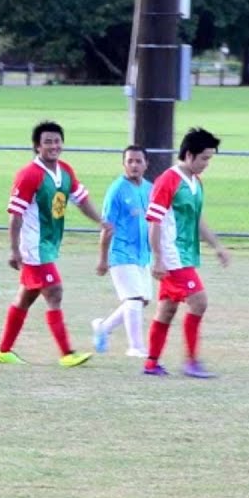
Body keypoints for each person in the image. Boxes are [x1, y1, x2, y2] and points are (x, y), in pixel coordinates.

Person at [0, 121, 105, 367]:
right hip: (33, 246)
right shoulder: (29, 174)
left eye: (57, 141)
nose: (54, 146)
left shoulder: (65, 171)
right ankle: (66, 353)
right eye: (48, 142)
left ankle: (3, 350)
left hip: (49, 244)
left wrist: (101, 222)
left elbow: (81, 200)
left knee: (26, 297)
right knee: (54, 291)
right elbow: (15, 214)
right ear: (36, 146)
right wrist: (14, 249)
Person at [142, 127, 232, 378]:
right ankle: (191, 362)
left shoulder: (196, 182)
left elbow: (197, 218)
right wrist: (158, 259)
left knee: (167, 309)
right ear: (189, 155)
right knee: (199, 301)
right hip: (172, 257)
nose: (207, 164)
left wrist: (217, 246)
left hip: (185, 255)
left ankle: (151, 363)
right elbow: (154, 221)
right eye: (204, 158)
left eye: (210, 159)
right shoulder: (168, 180)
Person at [91, 145, 154, 358]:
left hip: (142, 254)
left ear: (146, 164)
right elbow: (107, 227)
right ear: (124, 164)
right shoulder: (116, 190)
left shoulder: (149, 188)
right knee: (134, 298)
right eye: (130, 161)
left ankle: (104, 328)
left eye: (138, 161)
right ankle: (135, 347)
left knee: (141, 300)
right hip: (121, 252)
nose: (134, 165)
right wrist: (102, 259)